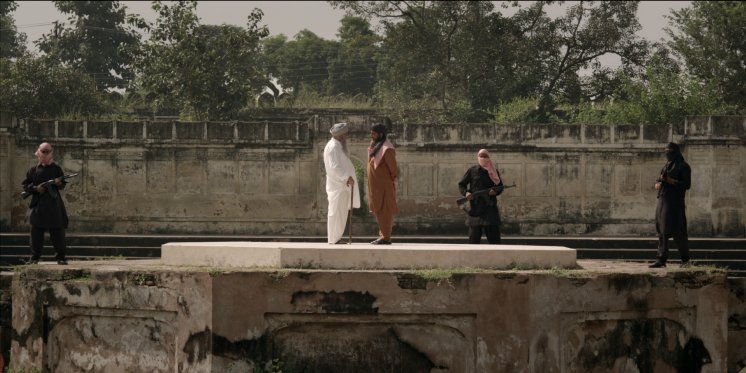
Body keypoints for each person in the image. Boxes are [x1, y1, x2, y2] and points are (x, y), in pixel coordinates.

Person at [21, 142, 69, 264]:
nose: (46, 154)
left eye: (48, 151)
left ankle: (61, 257)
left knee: (58, 232)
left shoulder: (56, 168)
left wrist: (59, 183)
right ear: (39, 152)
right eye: (44, 151)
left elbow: (62, 184)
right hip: (38, 205)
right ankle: (35, 257)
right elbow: (26, 186)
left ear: (51, 152)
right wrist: (35, 189)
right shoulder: (33, 170)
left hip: (54, 205)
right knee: (36, 233)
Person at [650, 142, 691, 268]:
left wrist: (670, 181)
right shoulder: (666, 166)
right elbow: (659, 180)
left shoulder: (683, 166)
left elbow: (686, 185)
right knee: (662, 231)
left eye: (670, 151)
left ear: (675, 152)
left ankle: (685, 260)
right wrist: (658, 184)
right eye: (666, 151)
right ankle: (661, 259)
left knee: (677, 232)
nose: (667, 154)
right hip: (663, 201)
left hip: (675, 203)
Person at [323, 122, 361, 244]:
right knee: (337, 213)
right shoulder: (334, 147)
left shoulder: (337, 145)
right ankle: (334, 239)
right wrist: (347, 177)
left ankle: (335, 238)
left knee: (340, 213)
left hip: (341, 185)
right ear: (341, 135)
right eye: (345, 134)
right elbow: (335, 166)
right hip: (338, 186)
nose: (347, 136)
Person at [458, 149, 504, 244]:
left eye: (485, 156)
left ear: (488, 158)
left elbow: (500, 187)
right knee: (473, 241)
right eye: (481, 156)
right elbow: (461, 184)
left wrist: (494, 192)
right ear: (478, 158)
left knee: (494, 241)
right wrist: (466, 193)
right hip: (475, 210)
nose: (483, 158)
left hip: (490, 210)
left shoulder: (494, 171)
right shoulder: (472, 171)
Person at [367, 123, 399, 245]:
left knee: (385, 210)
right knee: (379, 210)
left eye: (374, 133)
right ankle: (383, 235)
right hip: (376, 187)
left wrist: (387, 181)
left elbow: (393, 169)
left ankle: (385, 237)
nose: (372, 136)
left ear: (381, 134)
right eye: (371, 133)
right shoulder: (376, 146)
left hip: (384, 187)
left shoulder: (387, 148)